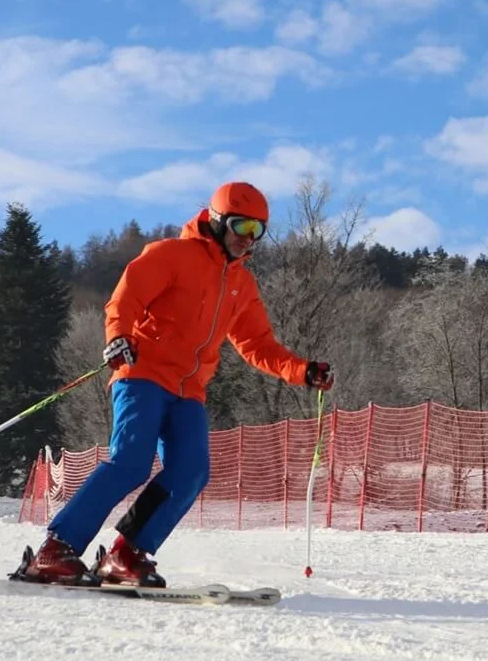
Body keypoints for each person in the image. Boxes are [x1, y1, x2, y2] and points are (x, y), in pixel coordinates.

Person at [20, 181, 335, 587]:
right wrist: (118, 336)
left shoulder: (242, 285)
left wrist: (303, 371)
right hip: (143, 375)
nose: (247, 239)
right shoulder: (172, 255)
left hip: (190, 391)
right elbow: (125, 299)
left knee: (191, 470)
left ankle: (126, 554)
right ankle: (55, 549)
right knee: (131, 461)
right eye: (241, 226)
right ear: (218, 221)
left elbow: (257, 344)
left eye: (258, 231)